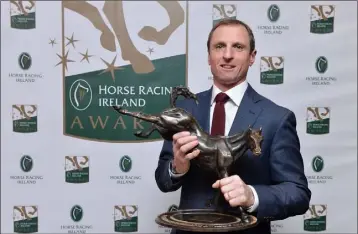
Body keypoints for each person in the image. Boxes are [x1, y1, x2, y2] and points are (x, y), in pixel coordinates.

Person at [154, 18, 311, 234]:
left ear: (252, 57)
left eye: (238, 47)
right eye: (219, 46)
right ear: (209, 56)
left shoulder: (277, 118)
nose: (227, 55)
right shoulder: (184, 110)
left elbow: (298, 193)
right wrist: (177, 168)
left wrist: (251, 196)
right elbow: (163, 180)